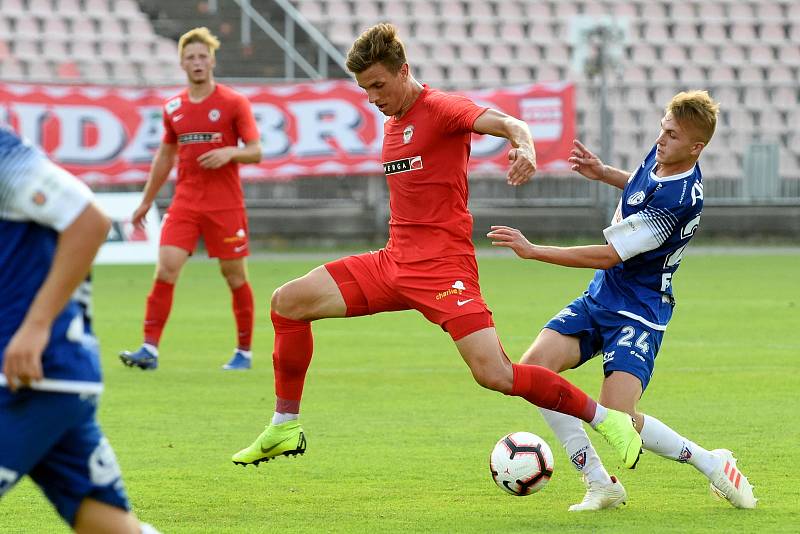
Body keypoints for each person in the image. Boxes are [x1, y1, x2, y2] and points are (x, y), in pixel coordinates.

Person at [231, 23, 642, 469]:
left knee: (496, 374)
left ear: (403, 71)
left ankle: (605, 419)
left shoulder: (442, 108)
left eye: (379, 85)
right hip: (392, 262)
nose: (373, 97)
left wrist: (525, 147)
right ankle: (284, 426)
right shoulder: (393, 122)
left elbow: (509, 122)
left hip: (445, 270)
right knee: (288, 302)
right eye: (365, 89)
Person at [488, 91, 757, 510]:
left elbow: (609, 253)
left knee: (617, 416)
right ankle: (600, 483)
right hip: (603, 294)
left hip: (640, 310)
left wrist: (535, 250)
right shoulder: (665, 154)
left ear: (696, 147)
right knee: (534, 373)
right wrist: (605, 173)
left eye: (671, 134)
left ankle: (711, 463)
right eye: (662, 128)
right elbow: (642, 183)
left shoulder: (680, 200)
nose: (661, 138)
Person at [0, 127, 159, 533]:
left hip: (33, 375)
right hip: (52, 381)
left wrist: (36, 327)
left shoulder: (5, 155)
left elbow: (89, 221)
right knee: (106, 524)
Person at [120, 27, 262, 371]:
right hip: (185, 202)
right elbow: (164, 158)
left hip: (224, 203)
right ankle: (149, 349)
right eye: (190, 57)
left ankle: (243, 352)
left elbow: (256, 152)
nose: (197, 62)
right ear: (182, 64)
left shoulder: (233, 103)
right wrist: (145, 201)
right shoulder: (173, 107)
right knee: (166, 269)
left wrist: (229, 153)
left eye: (202, 56)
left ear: (212, 60)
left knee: (234, 275)